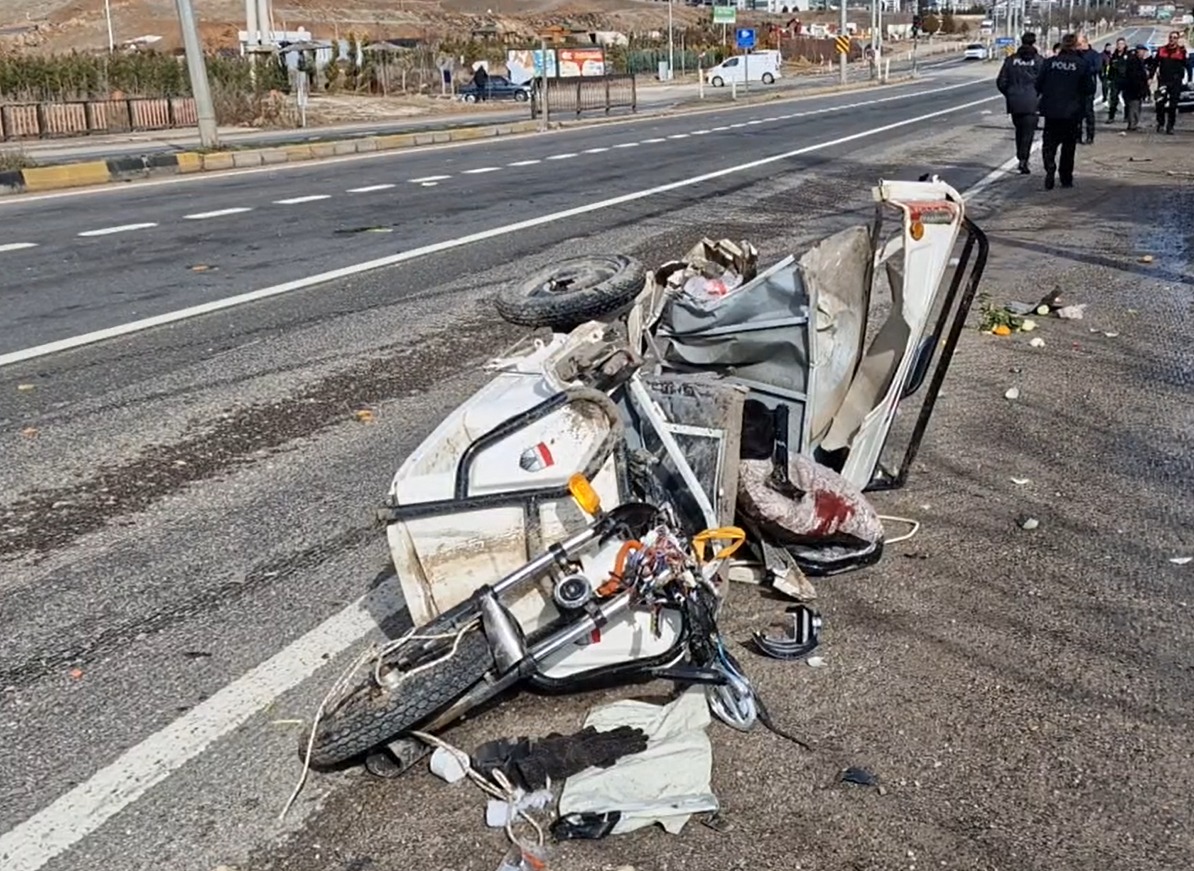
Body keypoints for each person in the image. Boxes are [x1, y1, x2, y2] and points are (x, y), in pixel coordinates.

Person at [1036, 33, 1095, 190]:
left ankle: (1050, 167)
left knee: (1049, 144)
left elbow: (1038, 84)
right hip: (1072, 111)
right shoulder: (1081, 64)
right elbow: (1090, 88)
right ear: (1075, 46)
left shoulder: (1050, 63)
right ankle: (1065, 178)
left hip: (1052, 110)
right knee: (1068, 147)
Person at [996, 31, 1046, 174]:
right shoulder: (1039, 61)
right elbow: (1045, 81)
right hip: (1032, 101)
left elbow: (1001, 81)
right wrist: (1039, 96)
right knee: (1028, 133)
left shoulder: (1011, 60)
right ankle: (1023, 159)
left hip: (1015, 102)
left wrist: (1010, 93)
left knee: (1019, 131)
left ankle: (1021, 157)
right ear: (1034, 42)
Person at [1151, 30, 1188, 134]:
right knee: (1160, 103)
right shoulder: (1161, 50)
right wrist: (1150, 77)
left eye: (1175, 38)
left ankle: (1170, 126)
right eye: (1171, 37)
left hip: (1175, 82)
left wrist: (1186, 78)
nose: (1172, 39)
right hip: (1163, 81)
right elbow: (1155, 64)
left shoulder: (1181, 51)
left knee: (1173, 105)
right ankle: (1160, 123)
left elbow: (1186, 65)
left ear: (1178, 39)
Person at [1075, 33, 1102, 143]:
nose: (1077, 46)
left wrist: (1084, 70)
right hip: (1076, 88)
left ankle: (1090, 136)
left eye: (1079, 43)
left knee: (1088, 113)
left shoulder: (1094, 55)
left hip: (1088, 87)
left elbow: (1097, 67)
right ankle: (1077, 136)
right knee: (1076, 114)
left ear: (1085, 43)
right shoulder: (1075, 54)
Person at [1122, 44, 1153, 132]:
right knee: (1134, 106)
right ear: (1139, 51)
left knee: (1136, 106)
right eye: (1143, 51)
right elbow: (1135, 75)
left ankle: (1133, 123)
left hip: (1136, 87)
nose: (1144, 53)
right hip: (1133, 88)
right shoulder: (1134, 61)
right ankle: (1132, 124)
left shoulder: (1139, 60)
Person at [1104, 38, 1131, 123]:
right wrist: (1109, 79)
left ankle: (1127, 116)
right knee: (1113, 99)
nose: (1120, 46)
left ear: (1125, 45)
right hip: (1115, 80)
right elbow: (1110, 68)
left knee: (1127, 99)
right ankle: (1111, 117)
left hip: (1126, 80)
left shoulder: (1129, 55)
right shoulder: (1114, 56)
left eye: (1122, 44)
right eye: (1118, 44)